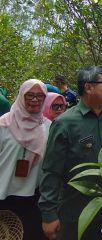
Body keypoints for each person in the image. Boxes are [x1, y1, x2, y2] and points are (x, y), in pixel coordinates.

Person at [39, 67, 102, 240]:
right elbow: (51, 171)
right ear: (89, 87)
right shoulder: (65, 123)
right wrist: (49, 214)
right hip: (75, 212)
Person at [0, 79, 50, 240]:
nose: (34, 100)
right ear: (21, 96)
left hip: (33, 197)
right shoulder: (3, 125)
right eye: (29, 95)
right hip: (3, 194)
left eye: (39, 96)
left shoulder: (48, 126)